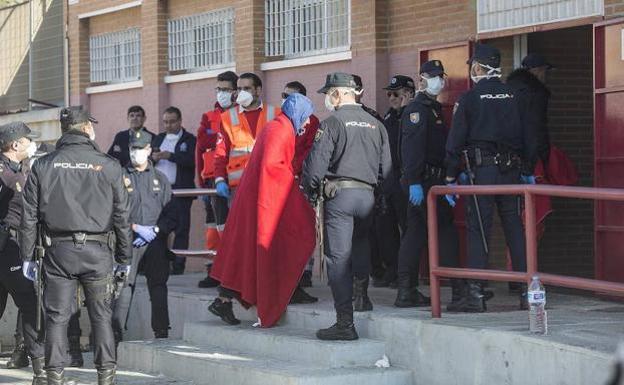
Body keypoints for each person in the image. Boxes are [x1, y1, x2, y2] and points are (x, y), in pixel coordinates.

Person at [20, 107, 132, 385]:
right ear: (85, 129)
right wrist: (124, 257)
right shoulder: (109, 165)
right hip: (98, 251)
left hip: (57, 251)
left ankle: (54, 376)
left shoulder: (43, 165)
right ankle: (106, 375)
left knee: (57, 317)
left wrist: (27, 257)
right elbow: (122, 216)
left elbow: (29, 217)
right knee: (101, 316)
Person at [208, 93, 317, 327]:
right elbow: (274, 168)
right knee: (257, 248)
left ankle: (224, 299)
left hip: (252, 198)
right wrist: (294, 193)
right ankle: (227, 299)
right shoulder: (280, 130)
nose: (307, 122)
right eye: (306, 117)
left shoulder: (275, 127)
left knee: (243, 252)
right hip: (262, 200)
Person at [444, 43, 537, 312]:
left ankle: (476, 294)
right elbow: (531, 137)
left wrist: (451, 175)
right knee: (514, 229)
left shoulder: (470, 99)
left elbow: (455, 140)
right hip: (511, 171)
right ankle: (526, 292)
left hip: (482, 172)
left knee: (479, 230)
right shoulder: (516, 95)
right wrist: (528, 170)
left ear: (478, 67)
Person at [302, 73, 391, 340]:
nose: (327, 99)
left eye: (329, 93)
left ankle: (344, 323)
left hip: (340, 196)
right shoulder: (377, 125)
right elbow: (386, 168)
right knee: (361, 244)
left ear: (339, 94)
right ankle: (361, 297)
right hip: (367, 196)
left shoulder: (332, 123)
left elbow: (315, 167)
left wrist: (310, 191)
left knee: (338, 259)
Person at [394, 61, 460, 308]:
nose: (439, 81)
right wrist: (414, 182)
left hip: (430, 178)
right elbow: (411, 149)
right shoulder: (418, 109)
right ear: (421, 80)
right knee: (445, 230)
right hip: (424, 180)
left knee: (416, 232)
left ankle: (406, 290)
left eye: (441, 76)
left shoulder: (432, 108)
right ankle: (458, 289)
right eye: (433, 77)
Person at [113, 130, 178, 341]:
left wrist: (156, 231)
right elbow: (112, 210)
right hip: (127, 241)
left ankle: (161, 331)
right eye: (133, 148)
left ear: (149, 150)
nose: (136, 153)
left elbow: (172, 214)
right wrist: (134, 227)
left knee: (158, 286)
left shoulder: (161, 179)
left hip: (155, 242)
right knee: (123, 287)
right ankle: (115, 333)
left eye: (140, 148)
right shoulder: (119, 177)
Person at [0, 122, 46, 384]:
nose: (32, 144)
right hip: (7, 248)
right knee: (30, 305)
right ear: (15, 144)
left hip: (14, 245)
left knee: (29, 305)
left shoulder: (19, 169)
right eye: (29, 140)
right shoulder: (3, 172)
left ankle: (39, 369)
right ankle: (40, 370)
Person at [196, 71, 238, 288]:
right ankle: (214, 270)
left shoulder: (242, 114)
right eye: (218, 89)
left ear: (236, 91)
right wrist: (200, 179)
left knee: (231, 226)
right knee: (214, 226)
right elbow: (202, 143)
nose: (221, 93)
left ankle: (231, 271)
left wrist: (220, 135)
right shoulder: (209, 116)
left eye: (226, 89)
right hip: (213, 179)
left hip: (236, 179)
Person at [373, 75, 415, 288]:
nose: (391, 97)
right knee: (385, 228)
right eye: (388, 93)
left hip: (405, 179)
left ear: (408, 93)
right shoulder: (389, 116)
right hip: (388, 180)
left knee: (407, 227)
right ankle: (392, 269)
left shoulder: (412, 114)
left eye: (395, 93)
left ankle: (408, 275)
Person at [213, 72, 281, 200]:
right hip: (239, 188)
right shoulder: (227, 118)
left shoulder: (276, 114)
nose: (241, 92)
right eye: (239, 89)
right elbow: (221, 153)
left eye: (247, 88)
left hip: (269, 184)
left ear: (258, 90)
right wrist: (220, 179)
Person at [282, 80, 320, 288]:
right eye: (284, 95)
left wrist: (294, 170)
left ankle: (305, 271)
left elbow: (309, 152)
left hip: (302, 181)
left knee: (304, 228)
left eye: (290, 96)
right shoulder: (281, 122)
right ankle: (289, 271)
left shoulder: (311, 122)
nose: (286, 100)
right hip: (283, 183)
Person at [152, 106, 196, 275]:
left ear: (179, 121)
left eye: (171, 122)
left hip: (180, 191)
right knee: (158, 229)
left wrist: (170, 156)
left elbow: (191, 160)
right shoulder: (158, 139)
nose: (168, 125)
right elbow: (146, 159)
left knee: (181, 229)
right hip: (158, 192)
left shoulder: (189, 139)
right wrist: (153, 158)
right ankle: (159, 262)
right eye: (165, 122)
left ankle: (178, 266)